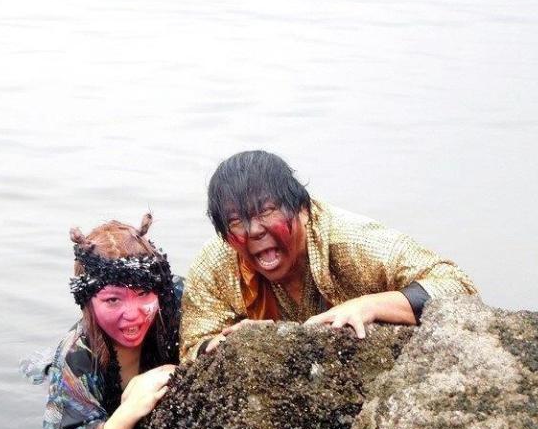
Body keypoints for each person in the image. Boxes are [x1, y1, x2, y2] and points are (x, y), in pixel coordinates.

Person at [180, 150, 478, 361]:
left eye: (267, 211)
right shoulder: (215, 264)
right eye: (235, 221)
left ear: (303, 209)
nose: (254, 230)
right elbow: (191, 348)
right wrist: (230, 344)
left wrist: (369, 305)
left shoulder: (351, 241)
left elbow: (458, 287)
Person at [36, 213, 181, 429]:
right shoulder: (76, 357)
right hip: (53, 376)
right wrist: (130, 410)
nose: (133, 314)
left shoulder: (175, 300)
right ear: (87, 302)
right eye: (113, 299)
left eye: (144, 293)